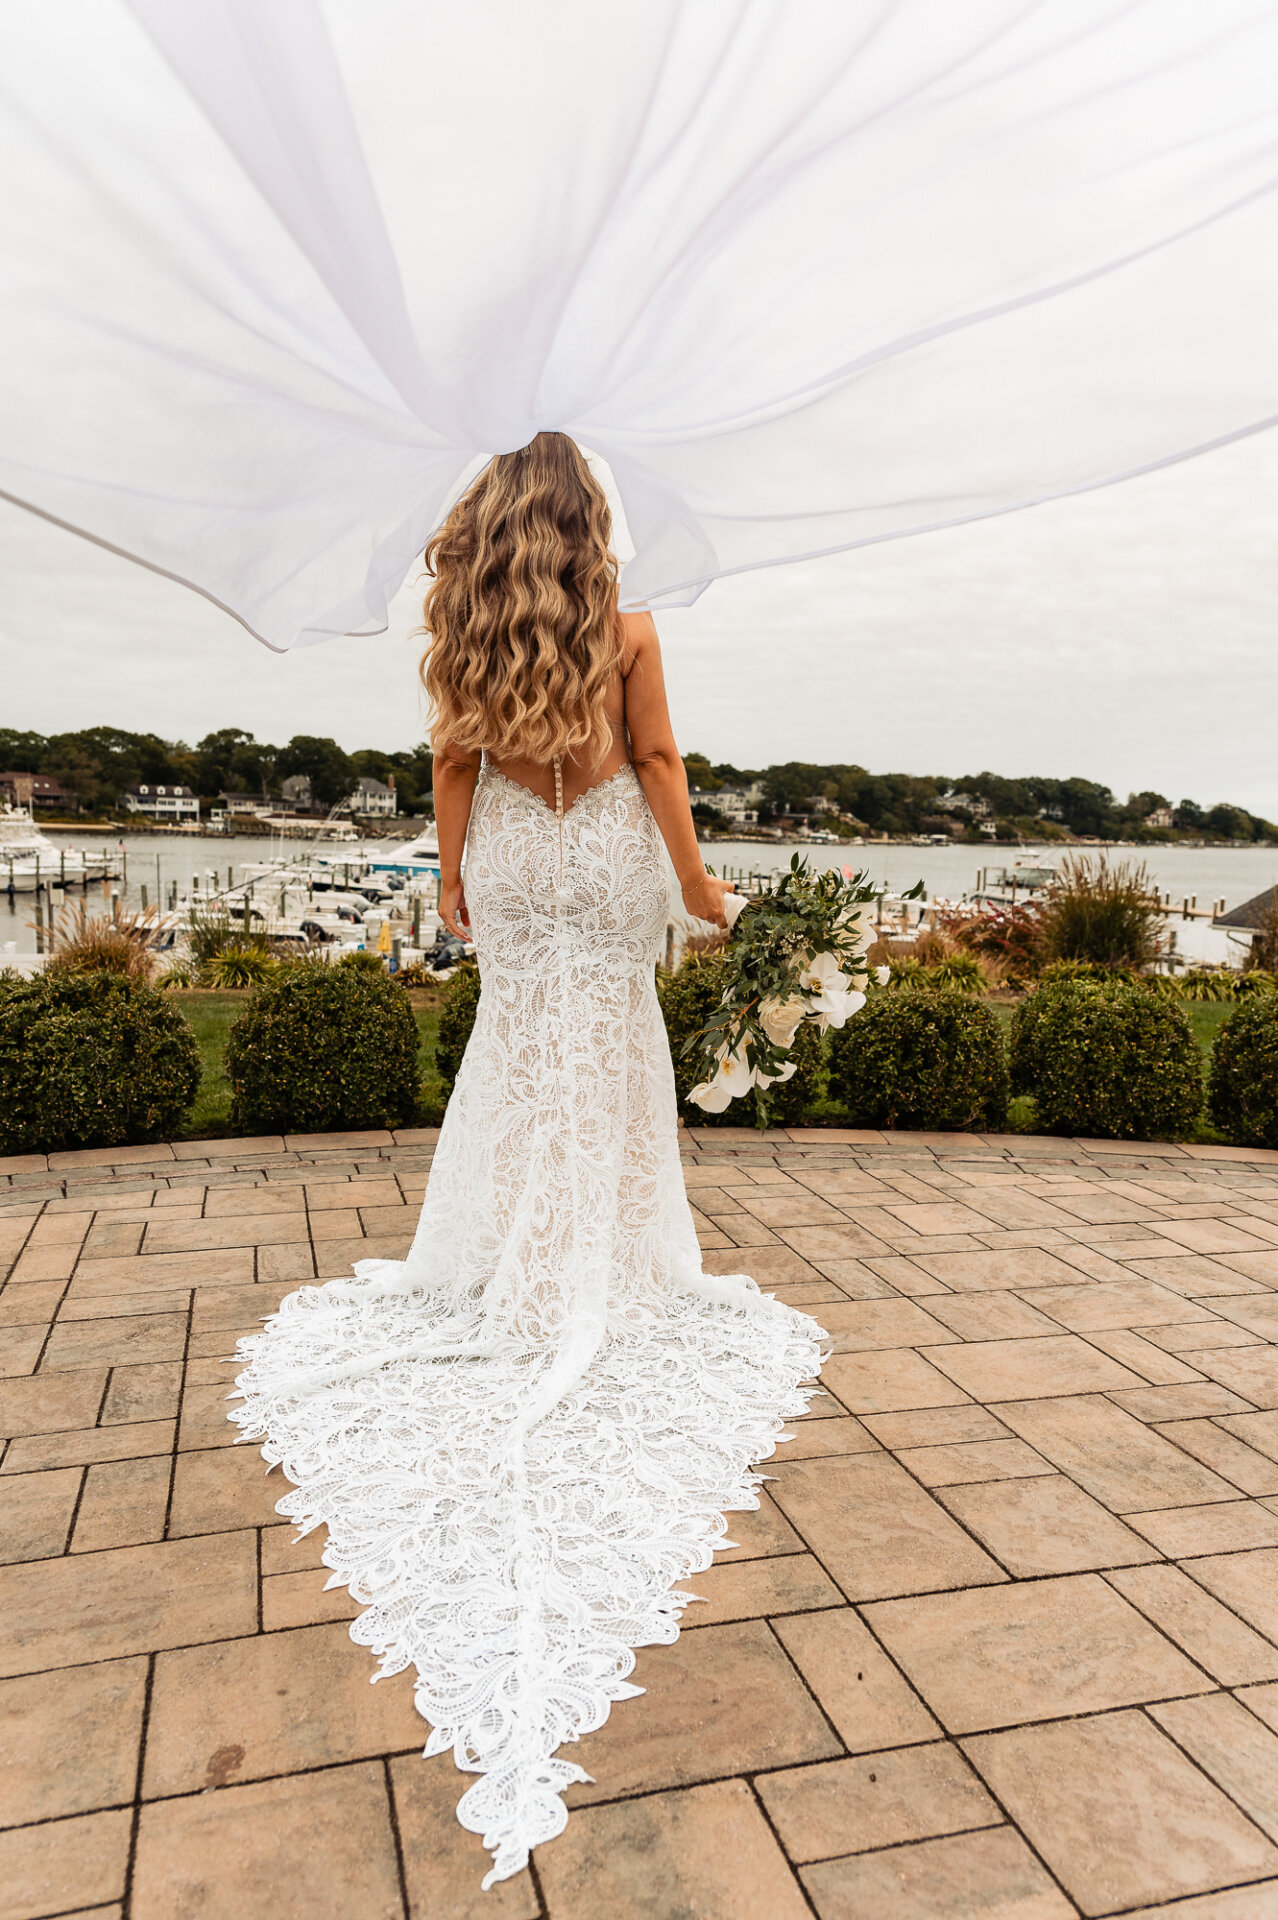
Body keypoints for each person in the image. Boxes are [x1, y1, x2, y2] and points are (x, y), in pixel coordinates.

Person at [230, 433, 825, 1888]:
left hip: (510, 841)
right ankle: (598, 1262)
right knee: (610, 1056)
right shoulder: (625, 632)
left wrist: (449, 870)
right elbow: (664, 760)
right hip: (608, 841)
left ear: (489, 531)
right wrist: (693, 883)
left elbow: (447, 760)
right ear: (588, 526)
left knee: (515, 1055)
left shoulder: (461, 628)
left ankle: (513, 1264)